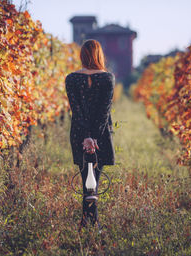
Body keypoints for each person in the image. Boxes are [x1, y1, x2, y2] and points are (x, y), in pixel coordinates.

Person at [64, 39, 116, 230]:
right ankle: (92, 223)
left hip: (79, 134)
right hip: (100, 136)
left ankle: (87, 221)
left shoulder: (71, 78)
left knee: (86, 178)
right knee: (94, 179)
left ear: (82, 55)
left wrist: (86, 136)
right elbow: (104, 111)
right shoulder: (108, 78)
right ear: (99, 55)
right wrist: (94, 137)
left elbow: (76, 110)